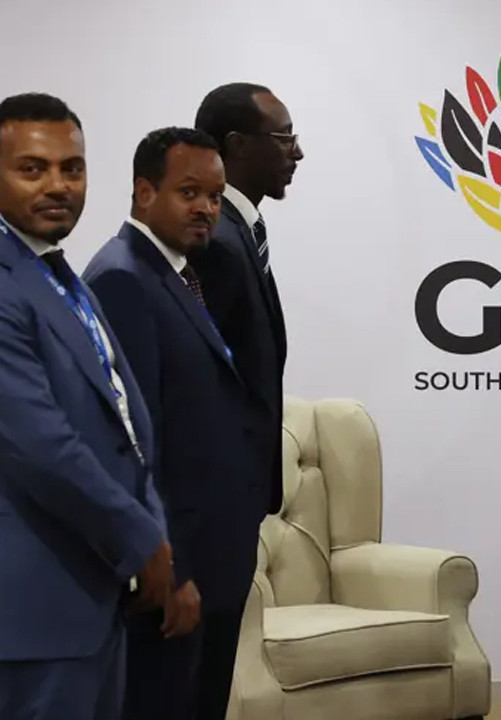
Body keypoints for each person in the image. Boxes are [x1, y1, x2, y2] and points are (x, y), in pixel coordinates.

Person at [83, 127, 267, 720]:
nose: (206, 209)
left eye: (214, 196)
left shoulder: (176, 272)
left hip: (211, 556)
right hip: (176, 569)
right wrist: (171, 570)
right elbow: (134, 445)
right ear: (144, 192)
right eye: (189, 193)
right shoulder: (122, 278)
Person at [0, 92, 172, 719]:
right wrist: (143, 541)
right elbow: (41, 447)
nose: (58, 185)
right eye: (32, 168)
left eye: (72, 168)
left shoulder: (58, 275)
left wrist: (153, 533)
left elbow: (123, 423)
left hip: (92, 603)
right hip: (31, 613)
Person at [190, 82, 302, 521]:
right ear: (238, 146)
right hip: (219, 494)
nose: (297, 152)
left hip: (238, 491)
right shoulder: (216, 241)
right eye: (284, 138)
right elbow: (206, 382)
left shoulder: (239, 231)